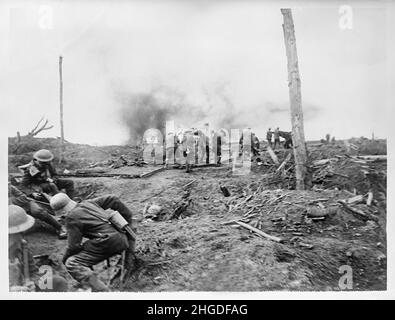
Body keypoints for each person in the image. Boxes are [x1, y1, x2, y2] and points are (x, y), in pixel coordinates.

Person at [50, 193, 137, 292]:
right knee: (86, 246)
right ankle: (128, 263)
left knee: (72, 263)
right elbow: (113, 199)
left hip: (108, 242)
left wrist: (64, 259)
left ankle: (103, 293)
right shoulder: (89, 203)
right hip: (123, 237)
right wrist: (127, 219)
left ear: (62, 211)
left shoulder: (71, 218)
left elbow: (73, 246)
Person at [9, 205, 68, 292]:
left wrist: (33, 282)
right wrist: (10, 290)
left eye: (21, 232)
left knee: (58, 282)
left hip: (25, 288)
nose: (21, 236)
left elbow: (33, 272)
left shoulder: (22, 246)